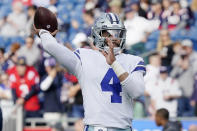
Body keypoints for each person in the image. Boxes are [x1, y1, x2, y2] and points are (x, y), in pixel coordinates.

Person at [35, 12, 145, 130]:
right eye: (108, 33)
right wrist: (44, 32)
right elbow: (51, 47)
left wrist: (114, 64)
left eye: (117, 33)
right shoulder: (84, 57)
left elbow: (137, 92)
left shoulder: (133, 61)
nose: (114, 38)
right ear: (98, 34)